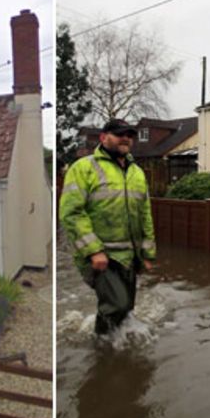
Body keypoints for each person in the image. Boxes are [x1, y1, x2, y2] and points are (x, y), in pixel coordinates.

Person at [59, 118, 156, 335]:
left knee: (126, 308)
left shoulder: (137, 172)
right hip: (102, 256)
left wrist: (147, 253)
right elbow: (71, 213)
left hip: (129, 255)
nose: (126, 139)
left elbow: (145, 214)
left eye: (129, 135)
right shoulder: (84, 168)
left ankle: (115, 347)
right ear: (104, 137)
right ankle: (101, 348)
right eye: (120, 134)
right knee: (117, 305)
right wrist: (94, 251)